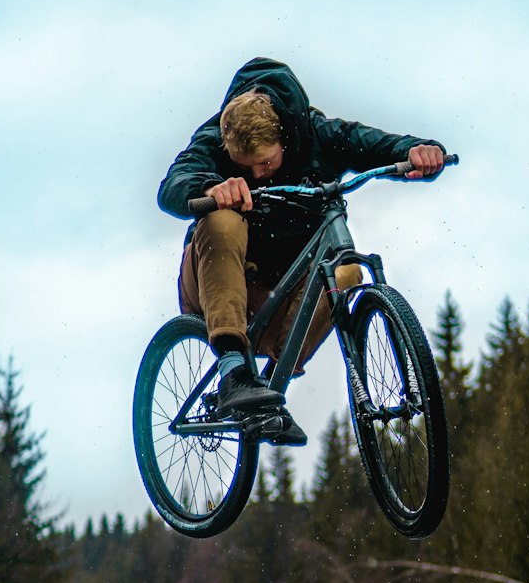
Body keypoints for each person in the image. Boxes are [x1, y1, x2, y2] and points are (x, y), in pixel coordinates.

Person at [157, 57, 446, 446]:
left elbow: (377, 145)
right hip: (218, 290)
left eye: (266, 162)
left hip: (282, 301)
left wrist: (419, 151)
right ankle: (232, 370)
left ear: (285, 139)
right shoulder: (215, 137)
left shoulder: (315, 134)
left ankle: (272, 393)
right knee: (222, 218)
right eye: (247, 168)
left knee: (344, 274)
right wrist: (211, 189)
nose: (259, 175)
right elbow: (173, 185)